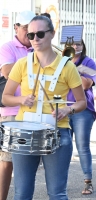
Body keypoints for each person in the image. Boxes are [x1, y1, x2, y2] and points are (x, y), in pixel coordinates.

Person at [2, 15, 86, 199]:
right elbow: (6, 98)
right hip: (24, 132)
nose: (35, 39)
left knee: (57, 193)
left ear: (52, 34)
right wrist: (22, 99)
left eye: (40, 34)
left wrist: (67, 109)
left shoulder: (67, 67)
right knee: (21, 193)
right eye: (31, 35)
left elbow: (82, 102)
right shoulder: (22, 63)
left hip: (57, 131)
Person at [0, 10, 35, 200]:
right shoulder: (8, 47)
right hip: (12, 111)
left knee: (27, 161)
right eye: (25, 28)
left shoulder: (38, 45)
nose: (30, 33)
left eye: (33, 29)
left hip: (34, 111)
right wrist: (33, 58)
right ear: (16, 28)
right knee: (7, 161)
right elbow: (6, 71)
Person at [67, 39, 96, 195]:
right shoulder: (60, 61)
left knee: (82, 146)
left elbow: (86, 84)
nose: (75, 46)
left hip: (83, 110)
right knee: (63, 147)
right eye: (72, 44)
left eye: (79, 44)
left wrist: (73, 69)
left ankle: (88, 182)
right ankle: (60, 182)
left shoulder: (89, 62)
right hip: (63, 108)